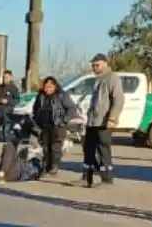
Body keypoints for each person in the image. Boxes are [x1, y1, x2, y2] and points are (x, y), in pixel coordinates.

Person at [79, 53, 123, 187]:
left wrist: (112, 118)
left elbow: (119, 99)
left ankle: (107, 178)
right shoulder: (98, 79)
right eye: (93, 65)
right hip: (93, 120)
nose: (94, 67)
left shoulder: (112, 78)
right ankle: (87, 177)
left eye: (97, 65)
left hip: (104, 121)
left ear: (105, 64)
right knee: (88, 148)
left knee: (103, 149)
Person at [31, 76, 77, 177]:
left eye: (50, 87)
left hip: (57, 125)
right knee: (46, 148)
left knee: (55, 147)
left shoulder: (61, 95)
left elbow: (72, 109)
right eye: (46, 87)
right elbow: (35, 108)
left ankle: (54, 166)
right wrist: (35, 119)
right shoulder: (40, 95)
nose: (48, 89)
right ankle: (47, 167)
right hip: (44, 125)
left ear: (55, 86)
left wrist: (64, 120)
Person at [0, 69, 20, 154]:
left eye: (6, 78)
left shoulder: (14, 88)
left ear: (10, 78)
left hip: (8, 113)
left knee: (6, 133)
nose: (5, 79)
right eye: (3, 77)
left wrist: (8, 101)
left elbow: (17, 101)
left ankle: (7, 153)